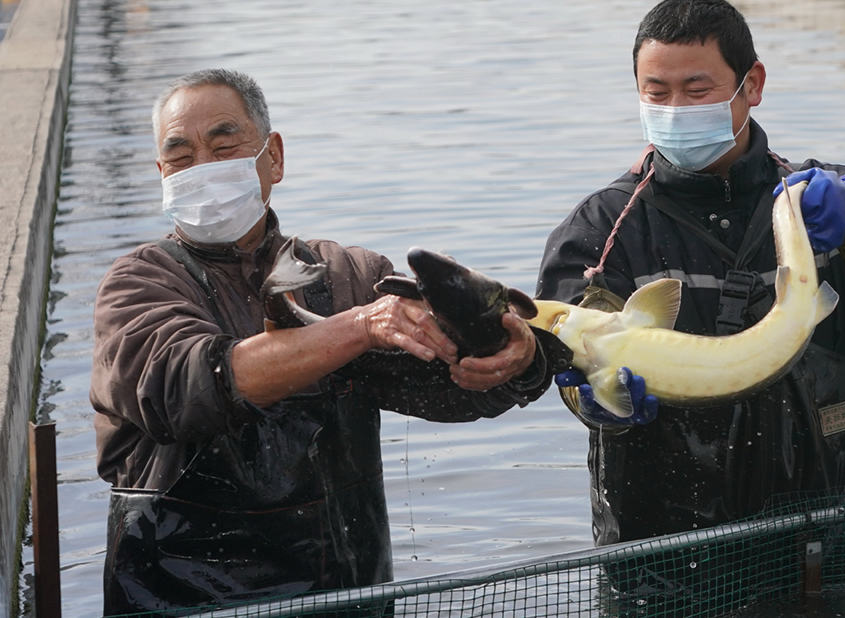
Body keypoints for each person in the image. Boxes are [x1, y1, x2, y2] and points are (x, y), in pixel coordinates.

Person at [536, 0, 845, 606]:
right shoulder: (602, 229)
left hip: (818, 544)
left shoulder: (830, 206)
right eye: (656, 93)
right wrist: (589, 394)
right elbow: (569, 339)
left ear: (752, 84)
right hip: (663, 563)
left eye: (697, 89)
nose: (675, 108)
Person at [90, 69, 562, 615]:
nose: (204, 169)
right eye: (181, 156)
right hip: (182, 599)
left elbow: (454, 387)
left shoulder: (349, 275)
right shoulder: (138, 284)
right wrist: (359, 328)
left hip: (347, 595)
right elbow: (186, 389)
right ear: (161, 173)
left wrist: (516, 360)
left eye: (224, 146)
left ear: (274, 158)